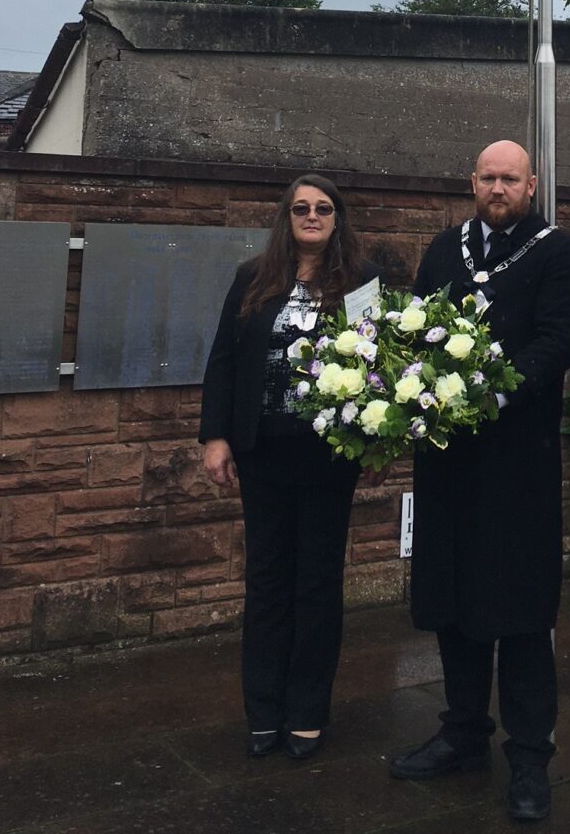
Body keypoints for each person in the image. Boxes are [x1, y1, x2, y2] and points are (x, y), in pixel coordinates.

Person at [390, 140, 570, 823]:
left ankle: (530, 757)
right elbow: (414, 335)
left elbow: (557, 344)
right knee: (454, 603)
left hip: (517, 463)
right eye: (487, 177)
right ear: (471, 181)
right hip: (449, 461)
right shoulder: (445, 248)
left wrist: (493, 394)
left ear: (531, 184)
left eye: (510, 178)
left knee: (522, 616)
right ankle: (464, 735)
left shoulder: (555, 253)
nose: (498, 188)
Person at [199, 174, 379, 762]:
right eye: (300, 207)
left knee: (318, 583)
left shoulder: (360, 282)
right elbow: (224, 359)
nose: (311, 216)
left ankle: (307, 711)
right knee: (268, 580)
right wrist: (216, 436)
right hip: (264, 452)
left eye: (323, 208)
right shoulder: (251, 278)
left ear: (337, 219)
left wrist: (376, 443)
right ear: (286, 216)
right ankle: (264, 711)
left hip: (329, 456)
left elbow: (382, 366)